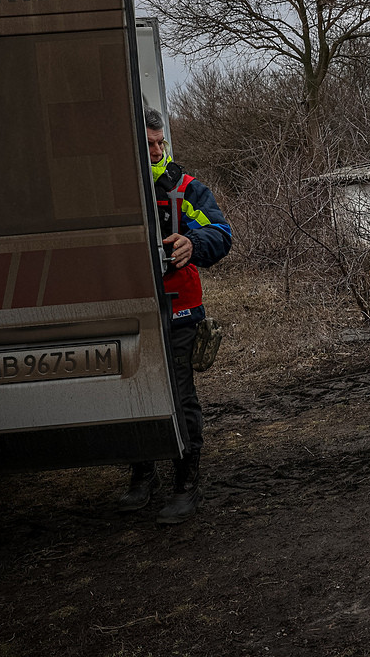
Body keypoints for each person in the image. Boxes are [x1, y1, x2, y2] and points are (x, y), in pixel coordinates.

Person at [118, 109, 233, 523]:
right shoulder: (112, 190)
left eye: (159, 142)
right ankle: (142, 474)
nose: (156, 150)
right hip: (129, 312)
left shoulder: (184, 187)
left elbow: (221, 233)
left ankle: (186, 484)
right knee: (132, 396)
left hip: (180, 311)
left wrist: (193, 243)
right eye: (147, 143)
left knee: (181, 397)